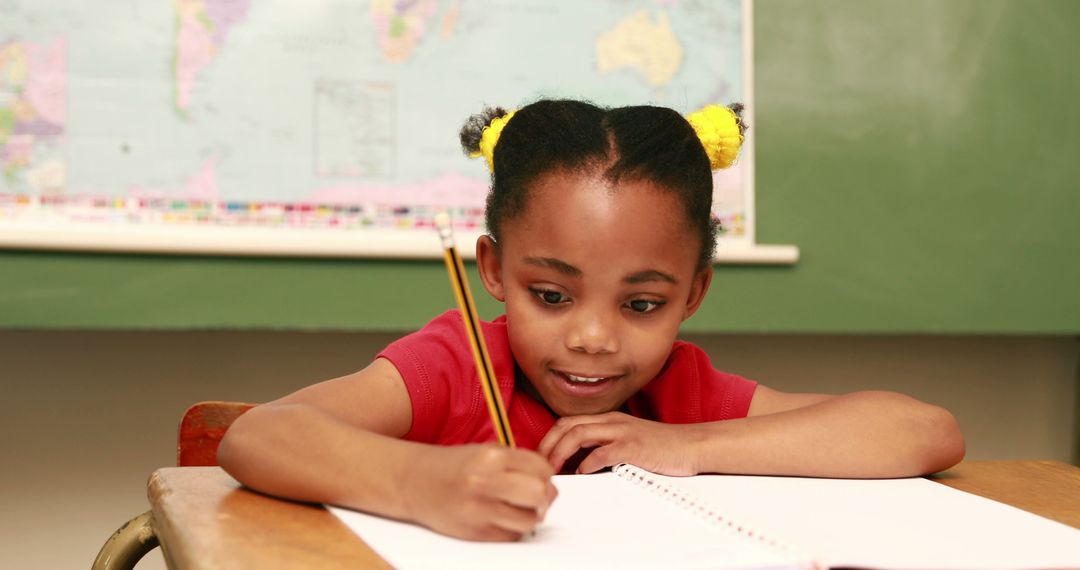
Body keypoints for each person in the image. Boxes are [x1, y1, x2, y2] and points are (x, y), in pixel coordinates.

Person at [218, 99, 965, 542]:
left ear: (693, 294)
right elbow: (258, 435)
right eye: (551, 294)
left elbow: (925, 432)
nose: (595, 338)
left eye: (642, 305)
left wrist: (688, 444)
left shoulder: (677, 392)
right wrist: (421, 482)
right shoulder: (451, 364)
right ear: (494, 270)